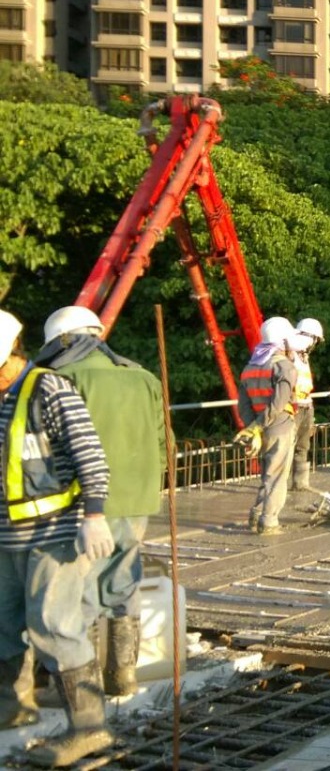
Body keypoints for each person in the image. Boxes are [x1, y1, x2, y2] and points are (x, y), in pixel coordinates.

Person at [0, 310, 115, 765]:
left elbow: (90, 454)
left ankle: (90, 730)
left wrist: (95, 514)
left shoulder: (48, 389)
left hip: (56, 532)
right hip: (7, 538)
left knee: (54, 626)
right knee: (3, 623)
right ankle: (14, 708)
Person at [35, 306, 164, 699]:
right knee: (124, 583)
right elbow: (163, 442)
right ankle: (122, 677)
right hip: (139, 499)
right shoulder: (143, 377)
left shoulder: (60, 379)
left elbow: (44, 451)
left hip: (85, 504)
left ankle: (83, 690)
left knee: (81, 591)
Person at [236, 317, 300, 535]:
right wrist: (259, 426)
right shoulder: (284, 367)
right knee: (277, 476)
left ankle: (256, 515)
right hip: (278, 424)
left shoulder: (250, 367)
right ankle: (268, 521)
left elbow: (243, 404)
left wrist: (252, 428)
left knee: (267, 473)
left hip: (258, 428)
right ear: (283, 341)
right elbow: (279, 403)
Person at [289, 317, 323, 492]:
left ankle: (300, 483)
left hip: (306, 405)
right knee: (287, 447)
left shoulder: (304, 357)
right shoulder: (291, 354)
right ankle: (281, 485)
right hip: (293, 407)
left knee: (303, 446)